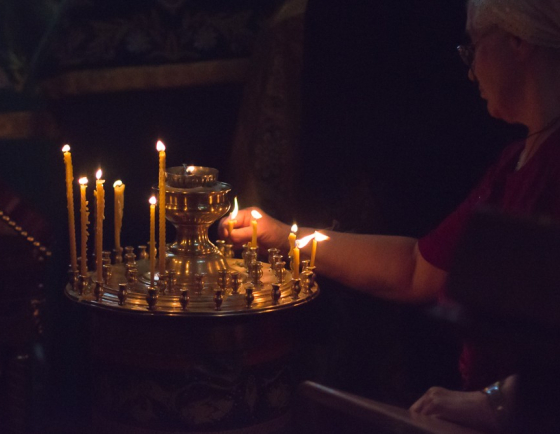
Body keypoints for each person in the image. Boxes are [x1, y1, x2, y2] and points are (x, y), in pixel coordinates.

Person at [220, 0, 560, 429]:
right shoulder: (515, 160)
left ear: (518, 41)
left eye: (475, 46)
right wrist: (282, 235)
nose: (471, 71)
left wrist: (495, 403)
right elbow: (416, 268)